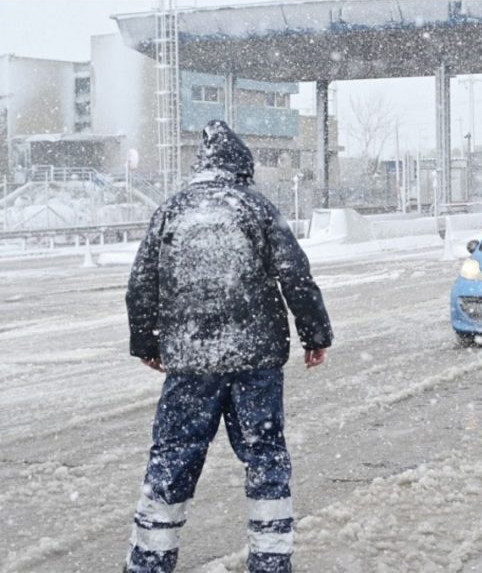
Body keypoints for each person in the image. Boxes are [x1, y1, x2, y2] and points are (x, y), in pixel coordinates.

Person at [124, 120, 333, 573]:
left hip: (190, 363)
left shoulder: (171, 210)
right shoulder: (255, 207)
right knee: (265, 458)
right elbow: (295, 275)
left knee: (172, 460)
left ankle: (149, 561)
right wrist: (314, 335)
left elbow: (141, 283)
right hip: (255, 361)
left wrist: (146, 342)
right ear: (242, 167)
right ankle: (271, 560)